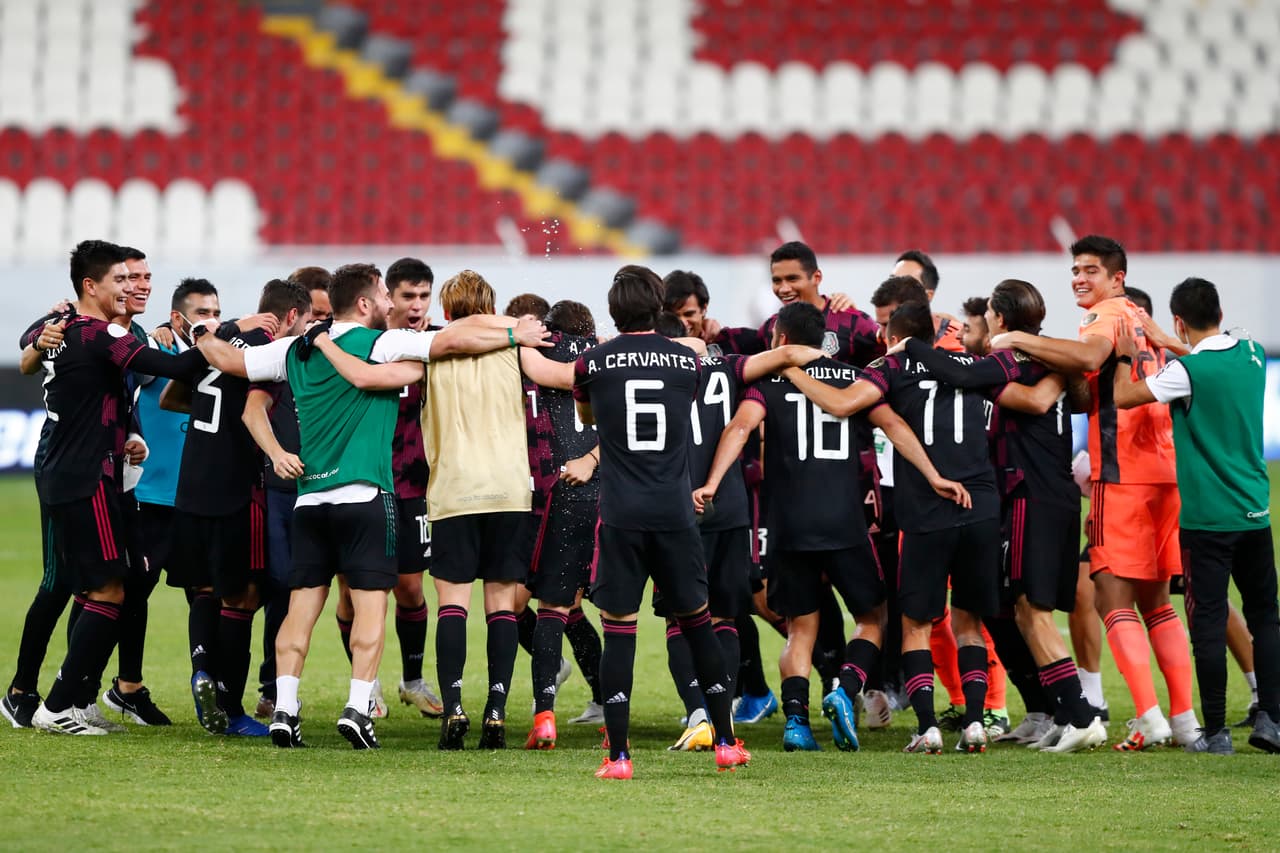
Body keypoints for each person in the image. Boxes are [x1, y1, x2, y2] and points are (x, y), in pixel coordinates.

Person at [200, 263, 548, 749]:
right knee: (370, 606)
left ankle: (284, 708)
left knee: (300, 609)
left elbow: (230, 361)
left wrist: (202, 331)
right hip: (364, 496)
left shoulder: (294, 349)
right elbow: (452, 340)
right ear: (364, 303)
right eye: (384, 294)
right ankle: (359, 706)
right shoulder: (382, 343)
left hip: (309, 500)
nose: (390, 302)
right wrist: (514, 332)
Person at [697, 302, 970, 753]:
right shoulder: (855, 379)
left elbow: (741, 429)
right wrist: (934, 474)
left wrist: (711, 482)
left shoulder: (768, 383)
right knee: (872, 618)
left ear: (781, 340)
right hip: (845, 521)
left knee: (800, 628)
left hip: (789, 523)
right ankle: (846, 688)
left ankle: (796, 724)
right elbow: (895, 426)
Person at [990, 235, 1200, 750]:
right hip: (1166, 470)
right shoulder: (1140, 317)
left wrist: (1015, 338)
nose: (1079, 279)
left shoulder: (1106, 315)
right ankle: (1183, 719)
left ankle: (1148, 717)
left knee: (1110, 595)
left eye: (1090, 270)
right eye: (1075, 270)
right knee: (1158, 603)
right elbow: (1089, 385)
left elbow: (1088, 354)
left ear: (1116, 278)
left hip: (1123, 471)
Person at [781, 302, 1001, 754]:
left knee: (915, 624)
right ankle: (977, 722)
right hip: (981, 505)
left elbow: (842, 403)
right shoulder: (974, 366)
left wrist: (789, 369)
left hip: (927, 512)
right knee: (969, 624)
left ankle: (927, 727)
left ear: (891, 336)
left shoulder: (891, 367)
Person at [897, 279, 1106, 752]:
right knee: (1004, 608)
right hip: (1041, 495)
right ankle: (1053, 712)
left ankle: (1080, 715)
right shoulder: (1050, 361)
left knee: (1032, 611)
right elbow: (1076, 394)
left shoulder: (1009, 362)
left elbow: (968, 377)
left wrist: (909, 345)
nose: (975, 331)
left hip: (1031, 494)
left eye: (983, 319)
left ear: (1000, 318)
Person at [573, 265, 750, 779]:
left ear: (613, 311)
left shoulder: (592, 363)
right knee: (698, 624)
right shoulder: (687, 360)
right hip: (674, 512)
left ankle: (619, 757)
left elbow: (587, 417)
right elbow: (686, 385)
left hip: (621, 514)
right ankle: (726, 743)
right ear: (659, 307)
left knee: (619, 632)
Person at [26, 241, 209, 734]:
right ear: (92, 286)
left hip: (70, 471)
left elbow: (31, 341)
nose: (130, 288)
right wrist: (218, 336)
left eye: (135, 279)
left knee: (97, 587)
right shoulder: (100, 332)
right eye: (120, 281)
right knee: (109, 590)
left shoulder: (63, 327)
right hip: (87, 476)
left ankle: (77, 700)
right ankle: (57, 706)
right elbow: (176, 368)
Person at [1112, 278, 1280, 754]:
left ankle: (1216, 732)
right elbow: (1205, 356)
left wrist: (1126, 355)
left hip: (1207, 521)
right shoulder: (1251, 351)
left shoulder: (1184, 372)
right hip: (1256, 513)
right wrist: (1168, 337)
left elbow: (1124, 396)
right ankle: (1272, 719)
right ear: (1220, 314)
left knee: (1206, 621)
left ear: (1179, 320)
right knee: (1265, 618)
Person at [164, 279, 307, 737]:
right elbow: (252, 411)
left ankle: (202, 670)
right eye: (304, 321)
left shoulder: (221, 337)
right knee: (242, 596)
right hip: (237, 483)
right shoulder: (269, 351)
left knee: (204, 588)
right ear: (290, 317)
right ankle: (229, 707)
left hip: (191, 480)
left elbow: (170, 398)